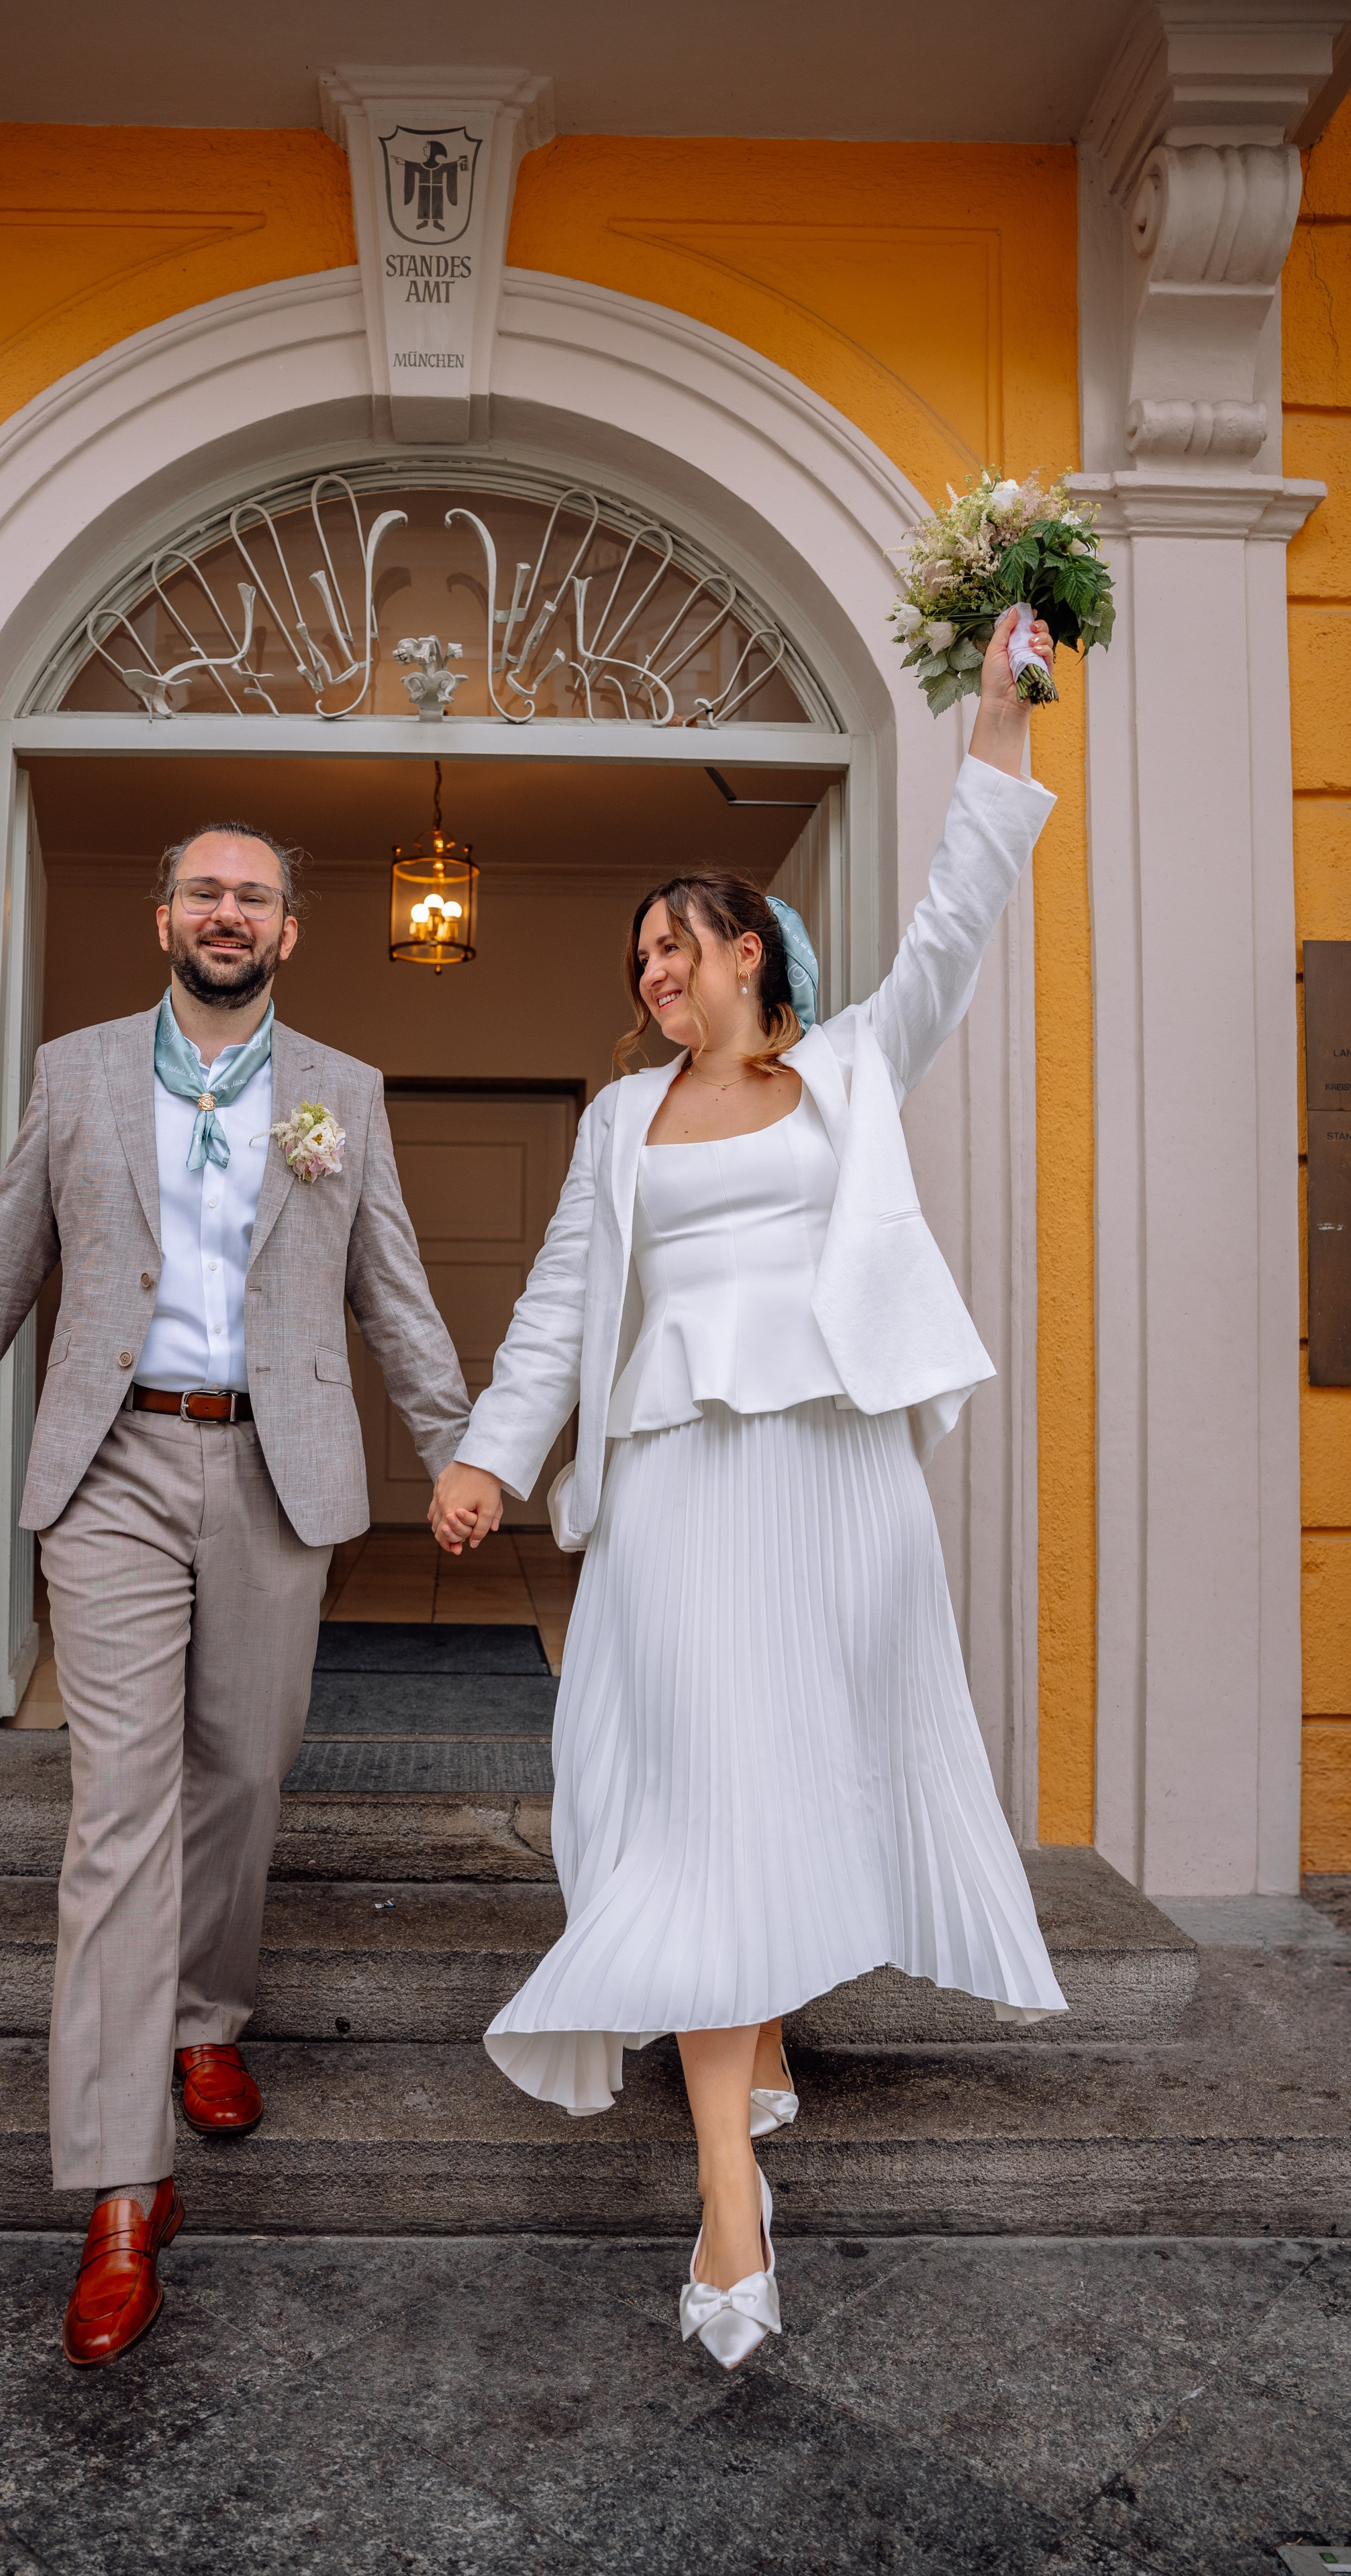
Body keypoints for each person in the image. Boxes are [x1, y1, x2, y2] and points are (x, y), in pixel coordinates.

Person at [429, 609, 1068, 2372]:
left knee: (792, 1762)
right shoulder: (615, 1122)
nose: (651, 964)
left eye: (676, 938)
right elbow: (564, 1295)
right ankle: (729, 2190)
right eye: (637, 946)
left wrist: (997, 725)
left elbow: (954, 922)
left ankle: (761, 2028)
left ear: (752, 955)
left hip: (835, 1476)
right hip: (680, 1488)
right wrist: (494, 1445)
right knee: (702, 1782)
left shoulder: (848, 1070)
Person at [0, 824, 468, 2367]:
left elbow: (393, 1290)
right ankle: (118, 2188)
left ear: (289, 931)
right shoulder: (76, 1072)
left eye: (254, 896)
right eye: (203, 891)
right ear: (163, 916)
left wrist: (462, 1454)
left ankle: (207, 2017)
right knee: (116, 1812)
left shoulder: (342, 1090)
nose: (226, 913)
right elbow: (3, 1266)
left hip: (274, 1470)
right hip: (115, 1468)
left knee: (244, 1772)